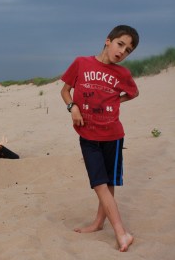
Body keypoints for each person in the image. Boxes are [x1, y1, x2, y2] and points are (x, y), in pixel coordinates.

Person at [60, 25, 139, 252]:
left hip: (113, 135)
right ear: (108, 40)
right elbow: (65, 90)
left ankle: (101, 224)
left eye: (128, 50)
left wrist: (115, 101)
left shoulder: (122, 74)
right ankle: (121, 232)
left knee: (108, 183)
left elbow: (134, 93)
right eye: (120, 44)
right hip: (88, 135)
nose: (122, 52)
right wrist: (72, 106)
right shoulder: (81, 63)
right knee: (99, 183)